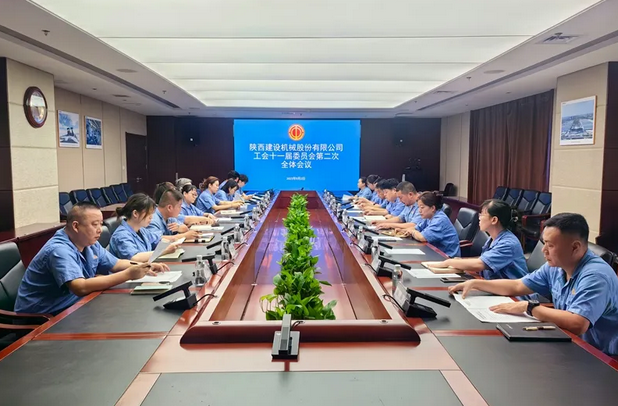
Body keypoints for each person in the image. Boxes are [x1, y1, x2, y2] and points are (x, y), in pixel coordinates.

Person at [448, 213, 618, 356]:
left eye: (550, 245)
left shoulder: (596, 275)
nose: (544, 250)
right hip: (568, 342)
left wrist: (529, 307)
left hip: (602, 357)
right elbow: (517, 286)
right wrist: (476, 283)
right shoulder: (556, 267)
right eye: (544, 244)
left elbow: (578, 323)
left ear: (575, 247)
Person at [14, 202, 164, 315]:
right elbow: (80, 287)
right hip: (42, 317)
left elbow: (117, 263)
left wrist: (145, 266)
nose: (99, 230)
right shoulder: (59, 250)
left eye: (100, 224)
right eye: (94, 224)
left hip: (74, 306)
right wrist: (129, 274)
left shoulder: (89, 243)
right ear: (76, 226)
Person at [430, 199, 527, 279]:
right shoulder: (493, 238)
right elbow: (483, 259)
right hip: (493, 286)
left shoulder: (508, 243)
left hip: (511, 294)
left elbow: (480, 264)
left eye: (482, 214)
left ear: (494, 220)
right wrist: (460, 261)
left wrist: (449, 262)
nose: (479, 218)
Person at [109, 194, 176, 262]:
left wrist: (175, 241)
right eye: (148, 214)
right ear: (135, 213)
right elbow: (134, 258)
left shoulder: (141, 230)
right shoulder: (121, 235)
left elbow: (157, 239)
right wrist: (163, 250)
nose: (151, 217)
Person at [405, 191, 461, 257]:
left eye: (422, 207)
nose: (419, 211)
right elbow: (417, 228)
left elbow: (422, 237)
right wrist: (404, 230)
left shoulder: (440, 220)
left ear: (432, 208)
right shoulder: (429, 216)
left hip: (447, 257)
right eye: (419, 207)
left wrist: (412, 232)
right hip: (434, 252)